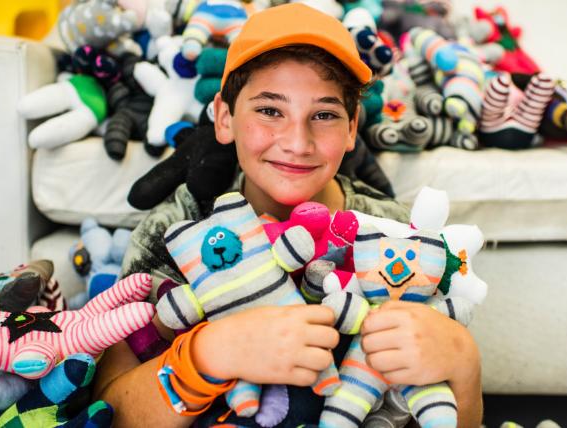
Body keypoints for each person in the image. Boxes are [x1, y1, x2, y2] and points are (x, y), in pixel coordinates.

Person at [93, 4, 482, 427]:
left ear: (353, 128)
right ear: (225, 118)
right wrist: (207, 354)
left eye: (325, 115)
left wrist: (464, 364)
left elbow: (450, 409)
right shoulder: (175, 229)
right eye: (270, 110)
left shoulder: (396, 232)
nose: (298, 142)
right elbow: (110, 412)